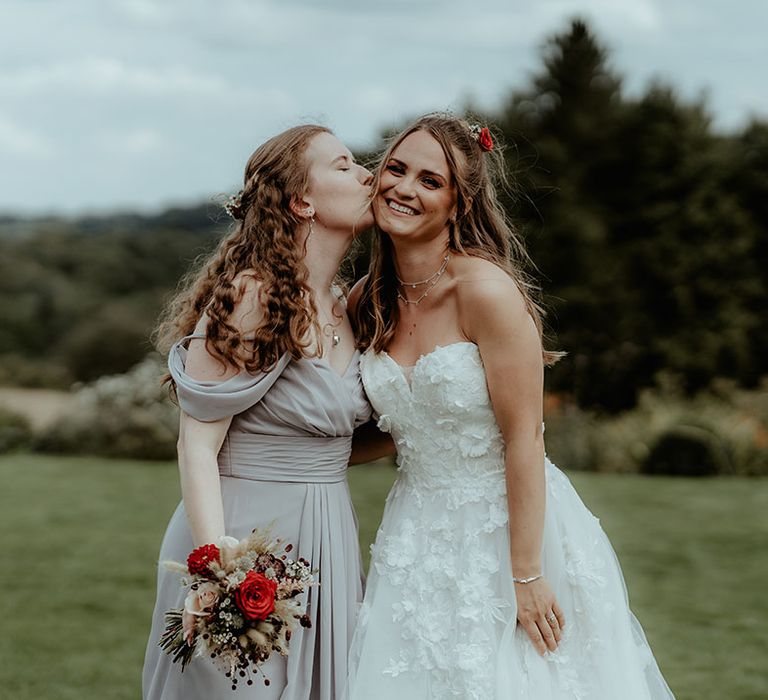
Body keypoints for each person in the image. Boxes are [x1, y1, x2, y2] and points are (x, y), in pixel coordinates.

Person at [345, 113, 675, 699]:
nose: (403, 187)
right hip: (413, 534)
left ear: (458, 204)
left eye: (430, 180)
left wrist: (526, 574)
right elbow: (406, 430)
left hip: (509, 528)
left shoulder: (486, 293)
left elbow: (526, 438)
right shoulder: (366, 300)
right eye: (395, 169)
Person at [143, 124, 375, 700]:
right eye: (344, 166)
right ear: (303, 201)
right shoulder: (254, 296)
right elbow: (196, 444)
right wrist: (218, 562)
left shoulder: (348, 307)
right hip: (245, 540)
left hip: (327, 541)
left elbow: (344, 442)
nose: (368, 174)